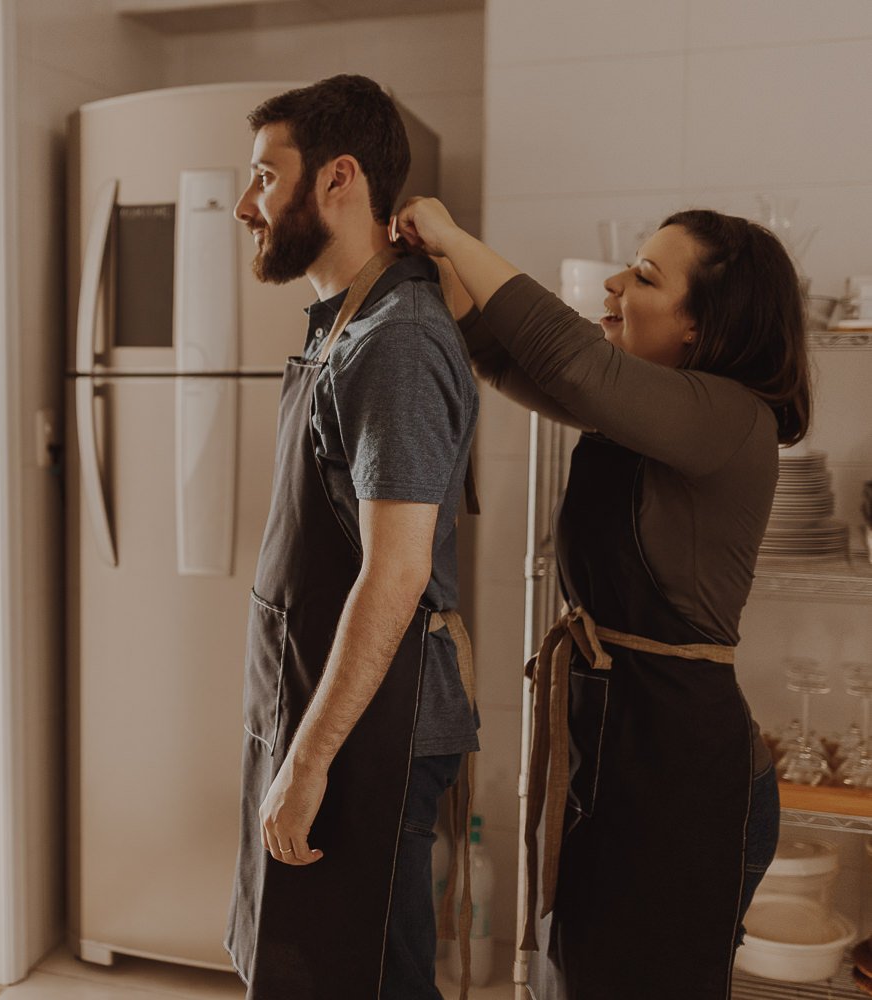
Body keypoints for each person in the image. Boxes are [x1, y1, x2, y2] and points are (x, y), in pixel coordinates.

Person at [395, 195, 810, 998]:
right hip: (619, 760)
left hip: (686, 783)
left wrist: (455, 237)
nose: (616, 282)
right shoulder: (642, 418)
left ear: (700, 324)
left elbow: (574, 363)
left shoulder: (731, 418)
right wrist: (447, 292)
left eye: (646, 276)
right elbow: (521, 362)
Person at [225, 75, 481, 1000]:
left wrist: (308, 761)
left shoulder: (397, 341)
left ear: (337, 180)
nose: (247, 204)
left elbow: (397, 572)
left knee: (364, 979)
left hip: (377, 729)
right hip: (320, 702)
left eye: (264, 176)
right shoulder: (349, 323)